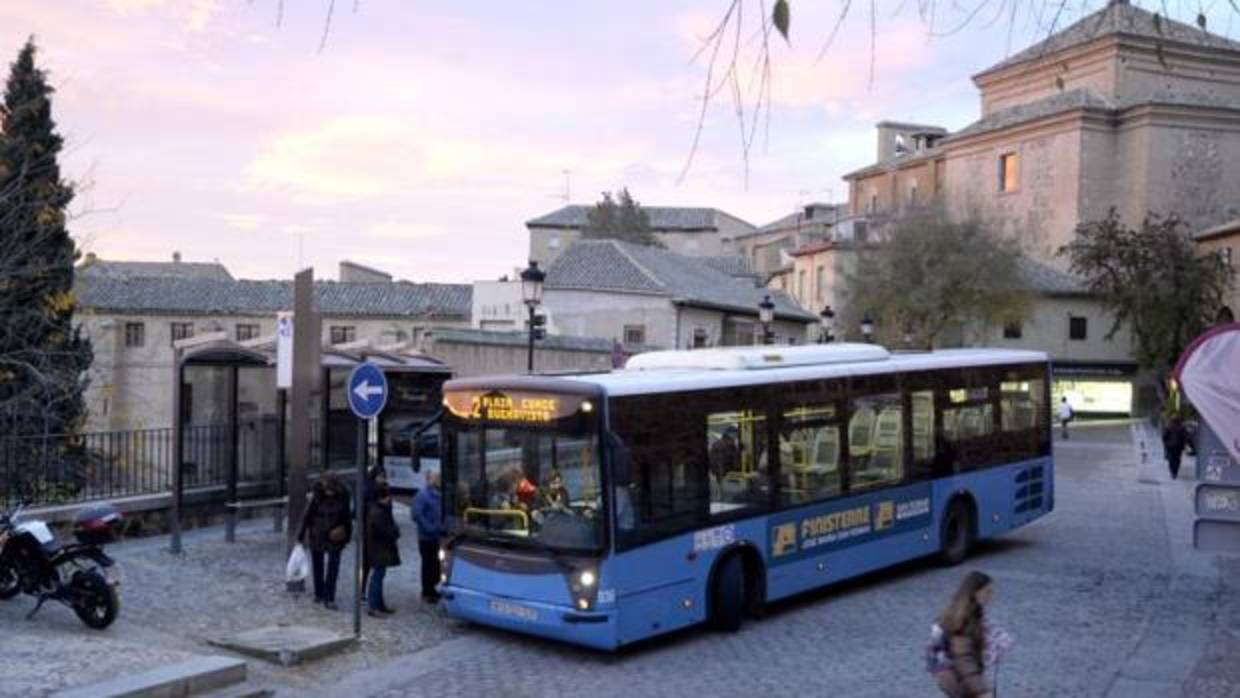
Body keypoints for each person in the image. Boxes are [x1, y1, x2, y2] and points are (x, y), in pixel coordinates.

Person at [935, 571, 996, 698]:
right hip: (960, 680)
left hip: (954, 677)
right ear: (975, 593)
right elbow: (963, 658)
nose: (991, 596)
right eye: (987, 592)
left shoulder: (969, 611)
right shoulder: (964, 619)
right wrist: (981, 691)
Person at [298, 471, 352, 610]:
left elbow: (346, 518)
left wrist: (348, 535)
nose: (329, 492)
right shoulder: (316, 495)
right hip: (317, 534)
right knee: (318, 564)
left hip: (335, 535)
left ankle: (330, 597)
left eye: (331, 490)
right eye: (327, 490)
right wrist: (300, 535)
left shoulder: (343, 496)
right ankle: (319, 593)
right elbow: (307, 515)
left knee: (333, 567)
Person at [365, 483, 400, 617]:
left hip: (380, 549)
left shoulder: (379, 510)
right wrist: (395, 532)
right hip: (379, 549)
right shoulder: (377, 512)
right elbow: (385, 530)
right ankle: (374, 607)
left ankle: (379, 605)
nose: (389, 499)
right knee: (377, 578)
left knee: (379, 577)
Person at [413, 470, 443, 603]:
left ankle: (433, 588)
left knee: (436, 563)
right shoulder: (422, 495)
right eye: (436, 478)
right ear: (429, 479)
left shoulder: (439, 494)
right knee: (428, 564)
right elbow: (417, 515)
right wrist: (430, 528)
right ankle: (427, 591)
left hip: (437, 536)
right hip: (426, 537)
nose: (438, 480)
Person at [1162, 416, 1189, 480]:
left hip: (1170, 446)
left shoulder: (1169, 427)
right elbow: (1185, 437)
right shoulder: (1182, 428)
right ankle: (1175, 471)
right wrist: (1184, 445)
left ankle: (1172, 471)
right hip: (1178, 446)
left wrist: (1165, 443)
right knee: (1177, 459)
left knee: (1171, 459)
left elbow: (1164, 436)